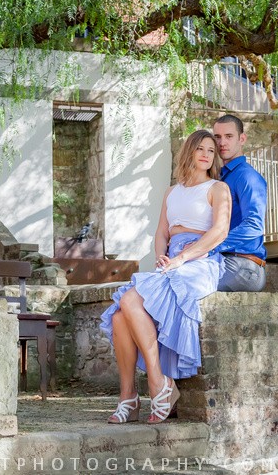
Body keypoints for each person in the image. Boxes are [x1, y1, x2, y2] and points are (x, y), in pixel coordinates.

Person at [100, 130, 231, 424]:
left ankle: (158, 383)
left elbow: (219, 231)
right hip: (171, 259)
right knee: (121, 315)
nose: (206, 154)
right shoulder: (172, 192)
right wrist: (164, 256)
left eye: (211, 150)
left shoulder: (218, 188)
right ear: (189, 151)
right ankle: (129, 397)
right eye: (200, 148)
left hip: (200, 260)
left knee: (130, 299)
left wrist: (183, 257)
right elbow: (162, 232)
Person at [212, 115, 268, 292]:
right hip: (222, 260)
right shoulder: (219, 177)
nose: (222, 142)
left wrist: (210, 245)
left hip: (243, 266)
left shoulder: (247, 176)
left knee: (180, 287)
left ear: (242, 139)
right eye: (217, 137)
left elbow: (254, 225)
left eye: (229, 136)